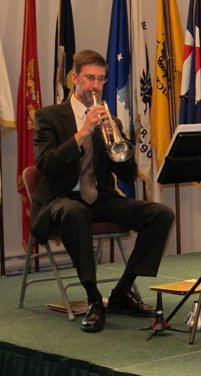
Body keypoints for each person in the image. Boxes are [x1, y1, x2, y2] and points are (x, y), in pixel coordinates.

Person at [31, 50, 175, 333]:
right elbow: (45, 163)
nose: (95, 85)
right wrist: (82, 133)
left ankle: (121, 292)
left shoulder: (109, 120)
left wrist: (116, 139)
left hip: (98, 198)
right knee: (75, 213)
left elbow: (126, 173)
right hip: (60, 199)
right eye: (89, 78)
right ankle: (94, 298)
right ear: (75, 78)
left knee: (160, 214)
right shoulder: (49, 117)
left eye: (100, 79)